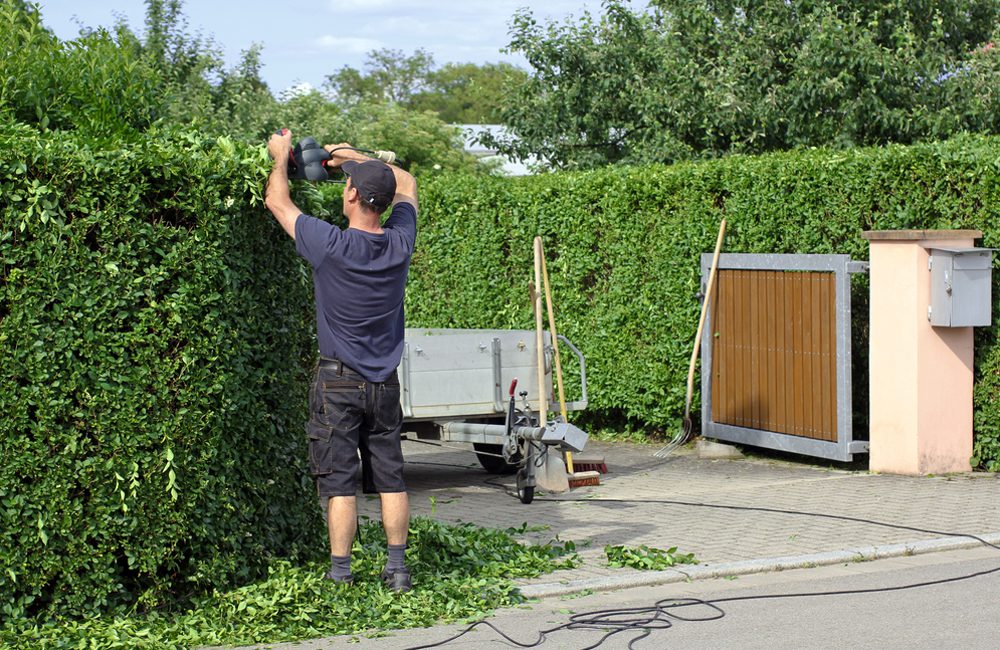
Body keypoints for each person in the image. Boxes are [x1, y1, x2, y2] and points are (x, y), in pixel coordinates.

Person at [265, 129, 417, 593]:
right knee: (391, 477)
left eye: (350, 184)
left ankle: (341, 574)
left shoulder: (328, 244)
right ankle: (397, 570)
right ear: (383, 204)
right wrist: (352, 159)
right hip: (384, 382)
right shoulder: (399, 243)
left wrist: (278, 157)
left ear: (350, 196)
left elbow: (277, 200)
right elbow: (406, 181)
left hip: (337, 384)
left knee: (339, 484)